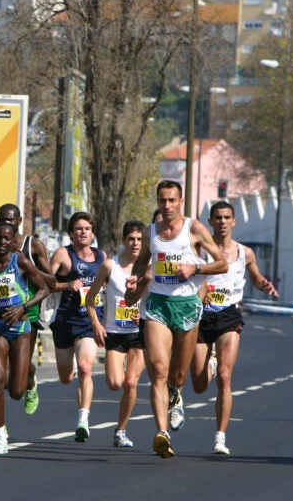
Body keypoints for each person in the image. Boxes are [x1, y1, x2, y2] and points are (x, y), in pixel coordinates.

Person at [125, 180, 227, 458]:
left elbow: (222, 262)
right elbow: (142, 260)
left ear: (181, 201)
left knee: (178, 374)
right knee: (158, 369)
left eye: (171, 200)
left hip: (187, 306)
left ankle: (175, 393)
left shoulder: (193, 229)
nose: (166, 206)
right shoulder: (151, 233)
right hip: (157, 304)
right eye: (162, 200)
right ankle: (162, 434)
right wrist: (134, 279)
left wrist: (195, 267)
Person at [189, 201, 278, 455]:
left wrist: (264, 285)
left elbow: (256, 277)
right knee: (198, 384)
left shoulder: (245, 252)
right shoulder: (199, 250)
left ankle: (220, 438)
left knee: (226, 378)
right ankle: (210, 364)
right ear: (210, 221)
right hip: (201, 316)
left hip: (229, 314)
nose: (222, 221)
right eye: (217, 217)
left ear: (234, 221)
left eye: (227, 217)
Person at [0, 222, 49, 454]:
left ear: (13, 240)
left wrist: (23, 307)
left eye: (7, 238)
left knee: (15, 391)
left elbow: (44, 288)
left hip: (21, 328)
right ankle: (1, 435)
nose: (2, 242)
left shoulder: (21, 261)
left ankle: (30, 377)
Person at [85, 220, 146, 448]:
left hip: (139, 334)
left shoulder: (148, 268)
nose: (135, 243)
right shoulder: (110, 266)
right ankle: (119, 368)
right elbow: (90, 298)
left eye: (140, 239)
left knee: (130, 383)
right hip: (114, 332)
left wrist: (146, 315)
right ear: (124, 241)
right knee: (114, 383)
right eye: (131, 239)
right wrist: (96, 324)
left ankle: (121, 430)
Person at [49, 212, 106, 442]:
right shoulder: (63, 254)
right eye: (78, 229)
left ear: (93, 233)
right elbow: (46, 283)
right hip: (64, 321)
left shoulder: (102, 257)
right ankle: (70, 362)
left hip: (89, 321)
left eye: (87, 229)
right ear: (71, 233)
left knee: (85, 368)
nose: (83, 232)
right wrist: (66, 284)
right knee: (65, 377)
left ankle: (83, 419)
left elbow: (112, 284)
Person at [0, 203, 55, 416]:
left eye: (11, 220)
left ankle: (30, 380)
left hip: (28, 314)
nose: (6, 223)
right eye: (2, 219)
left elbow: (52, 281)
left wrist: (30, 269)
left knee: (18, 376)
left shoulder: (32, 246)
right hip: (1, 315)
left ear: (19, 221)